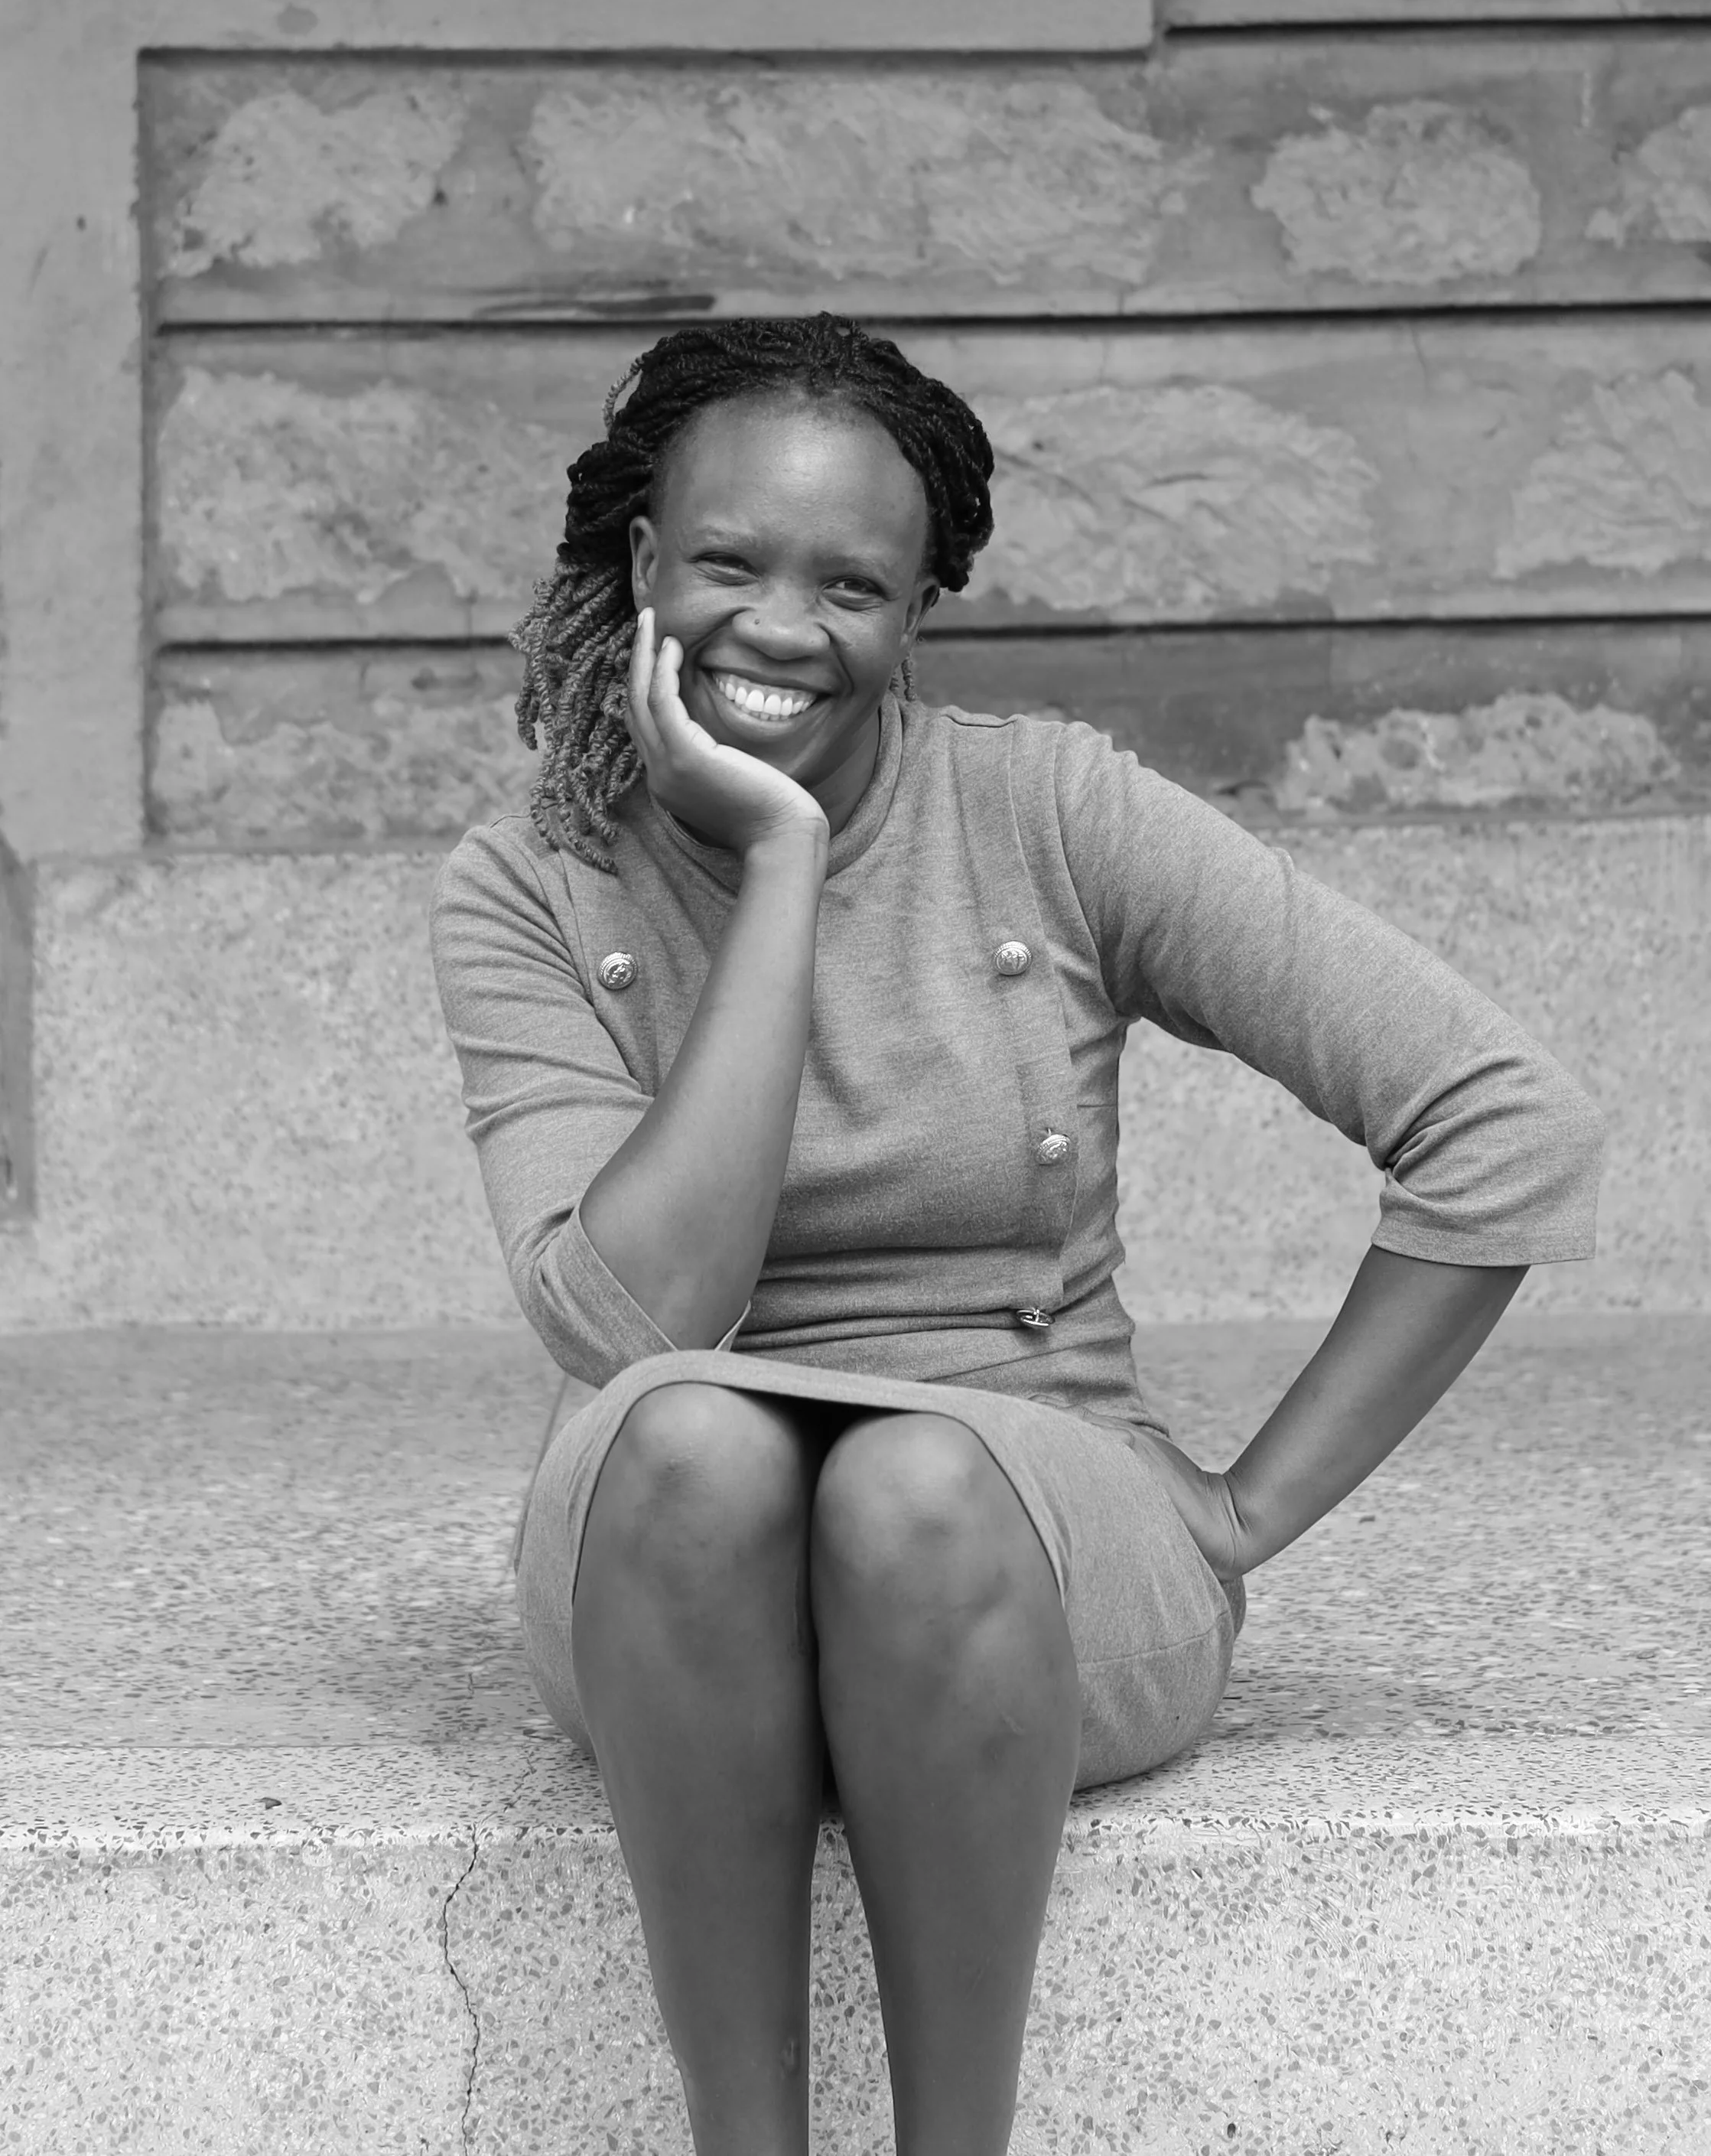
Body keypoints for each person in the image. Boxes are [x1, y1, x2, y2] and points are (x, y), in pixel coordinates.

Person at [431, 314, 1604, 2156]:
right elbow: (636, 1315)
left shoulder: (1048, 809)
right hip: (674, 1557)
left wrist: (1241, 1509)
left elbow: (1500, 1118)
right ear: (643, 563)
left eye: (854, 585)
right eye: (729, 563)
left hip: (1026, 1514)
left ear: (916, 616)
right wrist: (787, 868)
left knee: (906, 1489)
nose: (782, 627)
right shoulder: (525, 883)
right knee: (682, 1431)